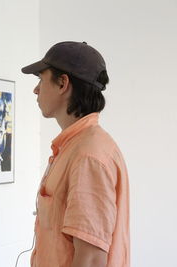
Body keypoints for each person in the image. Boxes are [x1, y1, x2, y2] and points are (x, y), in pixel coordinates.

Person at [21, 41, 130, 267]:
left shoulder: (88, 155)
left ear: (63, 83)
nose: (36, 89)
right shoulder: (77, 147)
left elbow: (90, 260)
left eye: (41, 79)